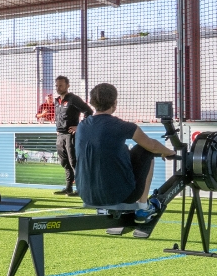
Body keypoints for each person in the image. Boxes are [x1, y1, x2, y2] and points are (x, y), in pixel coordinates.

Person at [74, 83, 174, 222]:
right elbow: (152, 145)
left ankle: (103, 206)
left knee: (122, 150)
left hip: (86, 195)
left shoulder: (82, 126)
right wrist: (169, 152)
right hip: (122, 196)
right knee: (145, 150)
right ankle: (143, 207)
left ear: (92, 103)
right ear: (115, 103)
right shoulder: (121, 126)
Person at [52, 75, 93, 196]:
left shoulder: (73, 99)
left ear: (67, 86)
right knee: (64, 162)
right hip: (60, 135)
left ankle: (81, 189)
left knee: (73, 162)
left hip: (71, 136)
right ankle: (68, 187)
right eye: (57, 85)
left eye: (61, 85)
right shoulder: (57, 100)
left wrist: (79, 127)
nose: (58, 88)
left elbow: (89, 112)